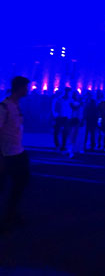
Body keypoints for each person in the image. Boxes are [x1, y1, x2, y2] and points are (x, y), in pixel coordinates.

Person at [0, 76, 31, 232]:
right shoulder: (4, 107)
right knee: (3, 186)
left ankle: (10, 213)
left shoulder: (15, 105)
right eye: (26, 87)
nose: (28, 90)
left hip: (18, 151)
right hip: (7, 153)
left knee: (21, 181)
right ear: (19, 88)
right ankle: (8, 216)